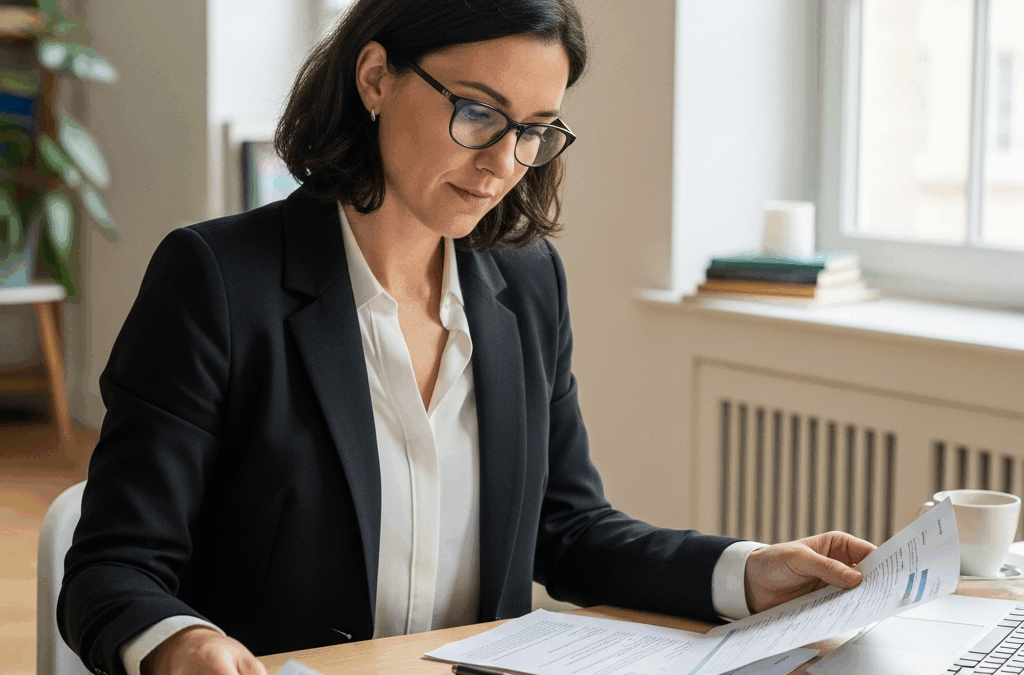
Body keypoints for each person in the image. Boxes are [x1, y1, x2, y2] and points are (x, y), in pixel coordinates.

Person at [57, 2, 876, 675]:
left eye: (535, 128)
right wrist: (181, 642)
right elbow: (111, 568)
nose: (503, 163)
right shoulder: (218, 280)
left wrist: (747, 571)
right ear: (375, 78)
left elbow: (571, 529)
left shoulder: (526, 282)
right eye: (477, 112)